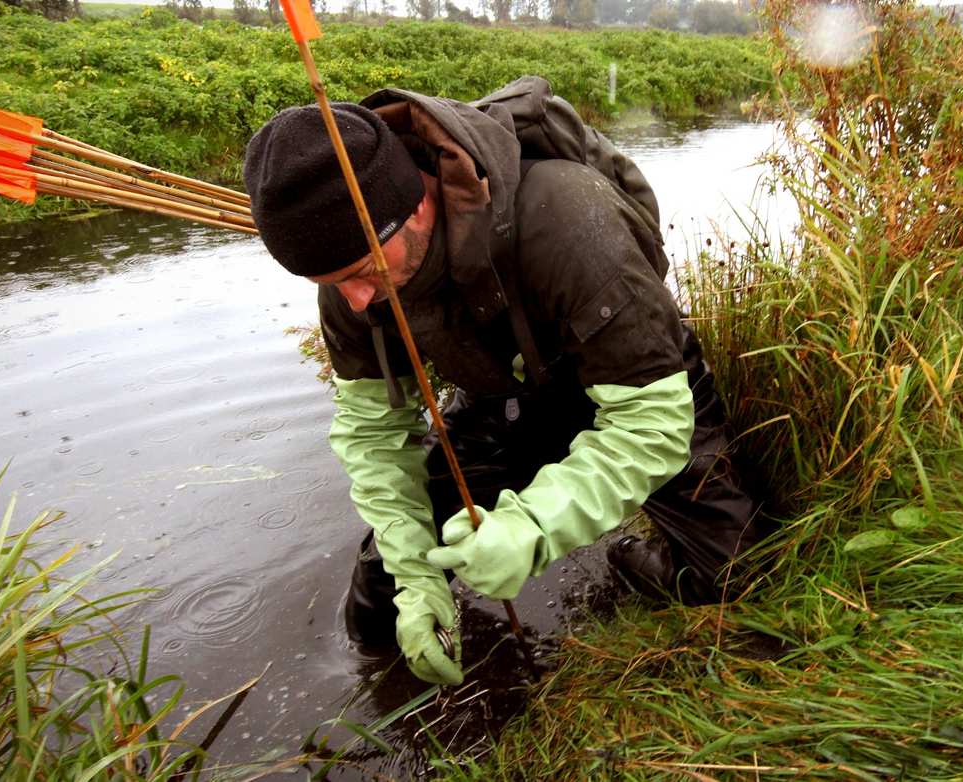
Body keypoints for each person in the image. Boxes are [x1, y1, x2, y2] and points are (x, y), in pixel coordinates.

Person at [242, 77, 764, 686]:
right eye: (333, 283)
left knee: (733, 576)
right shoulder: (353, 292)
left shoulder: (568, 215)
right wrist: (415, 577)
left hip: (633, 383)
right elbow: (375, 438)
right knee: (377, 605)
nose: (356, 302)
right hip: (503, 400)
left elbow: (652, 424)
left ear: (414, 205)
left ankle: (632, 555)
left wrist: (533, 527)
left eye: (362, 273)